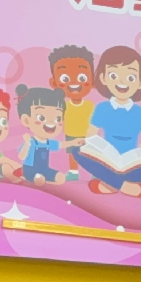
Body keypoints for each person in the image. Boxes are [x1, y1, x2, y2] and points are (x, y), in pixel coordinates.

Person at [72, 45, 141, 197]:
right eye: (113, 75)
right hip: (107, 161)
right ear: (103, 78)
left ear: (140, 82)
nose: (122, 82)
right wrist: (86, 143)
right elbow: (91, 135)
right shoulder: (102, 108)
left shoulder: (140, 112)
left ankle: (110, 183)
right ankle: (125, 185)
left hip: (132, 164)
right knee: (77, 150)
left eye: (130, 77)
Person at [13, 84, 77, 185]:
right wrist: (27, 144)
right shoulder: (31, 142)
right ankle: (27, 177)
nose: (51, 123)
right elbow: (21, 156)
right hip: (30, 170)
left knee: (61, 178)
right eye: (41, 118)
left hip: (44, 169)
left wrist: (74, 142)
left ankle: (46, 182)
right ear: (26, 120)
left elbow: (60, 145)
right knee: (39, 179)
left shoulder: (48, 142)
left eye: (58, 119)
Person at [48, 45, 96, 182]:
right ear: (54, 83)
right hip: (71, 133)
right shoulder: (63, 106)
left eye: (82, 77)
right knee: (72, 154)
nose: (74, 82)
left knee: (89, 154)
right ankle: (73, 171)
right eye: (65, 78)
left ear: (92, 81)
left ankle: (93, 171)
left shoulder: (90, 105)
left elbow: (95, 121)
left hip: (88, 135)